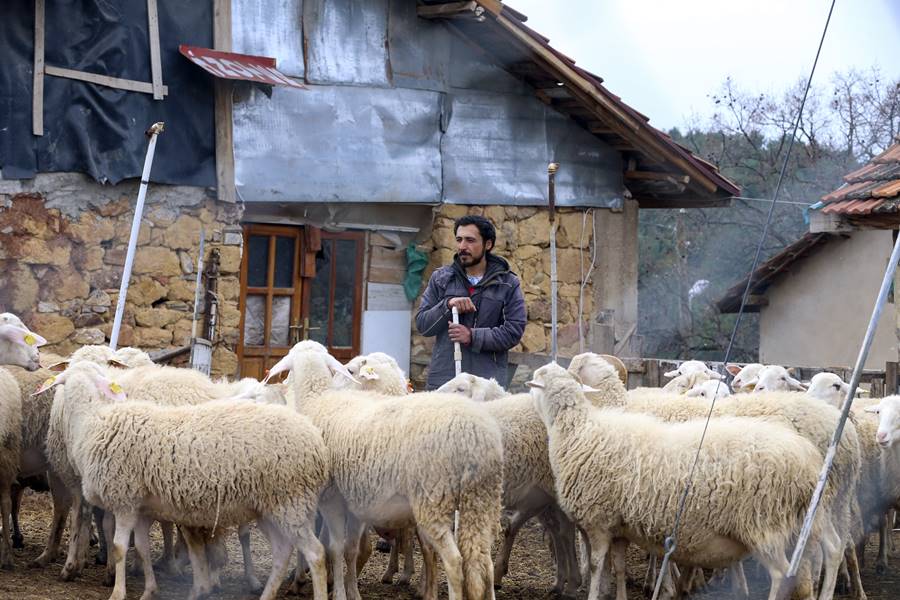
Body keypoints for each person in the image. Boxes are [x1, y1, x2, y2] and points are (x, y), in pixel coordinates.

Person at [415, 215, 526, 390]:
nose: (462, 247)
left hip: (485, 385)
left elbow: (513, 331)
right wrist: (447, 305)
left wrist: (472, 336)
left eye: (470, 240)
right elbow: (423, 325)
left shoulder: (507, 283)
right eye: (459, 240)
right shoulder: (441, 279)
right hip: (446, 382)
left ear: (487, 244)